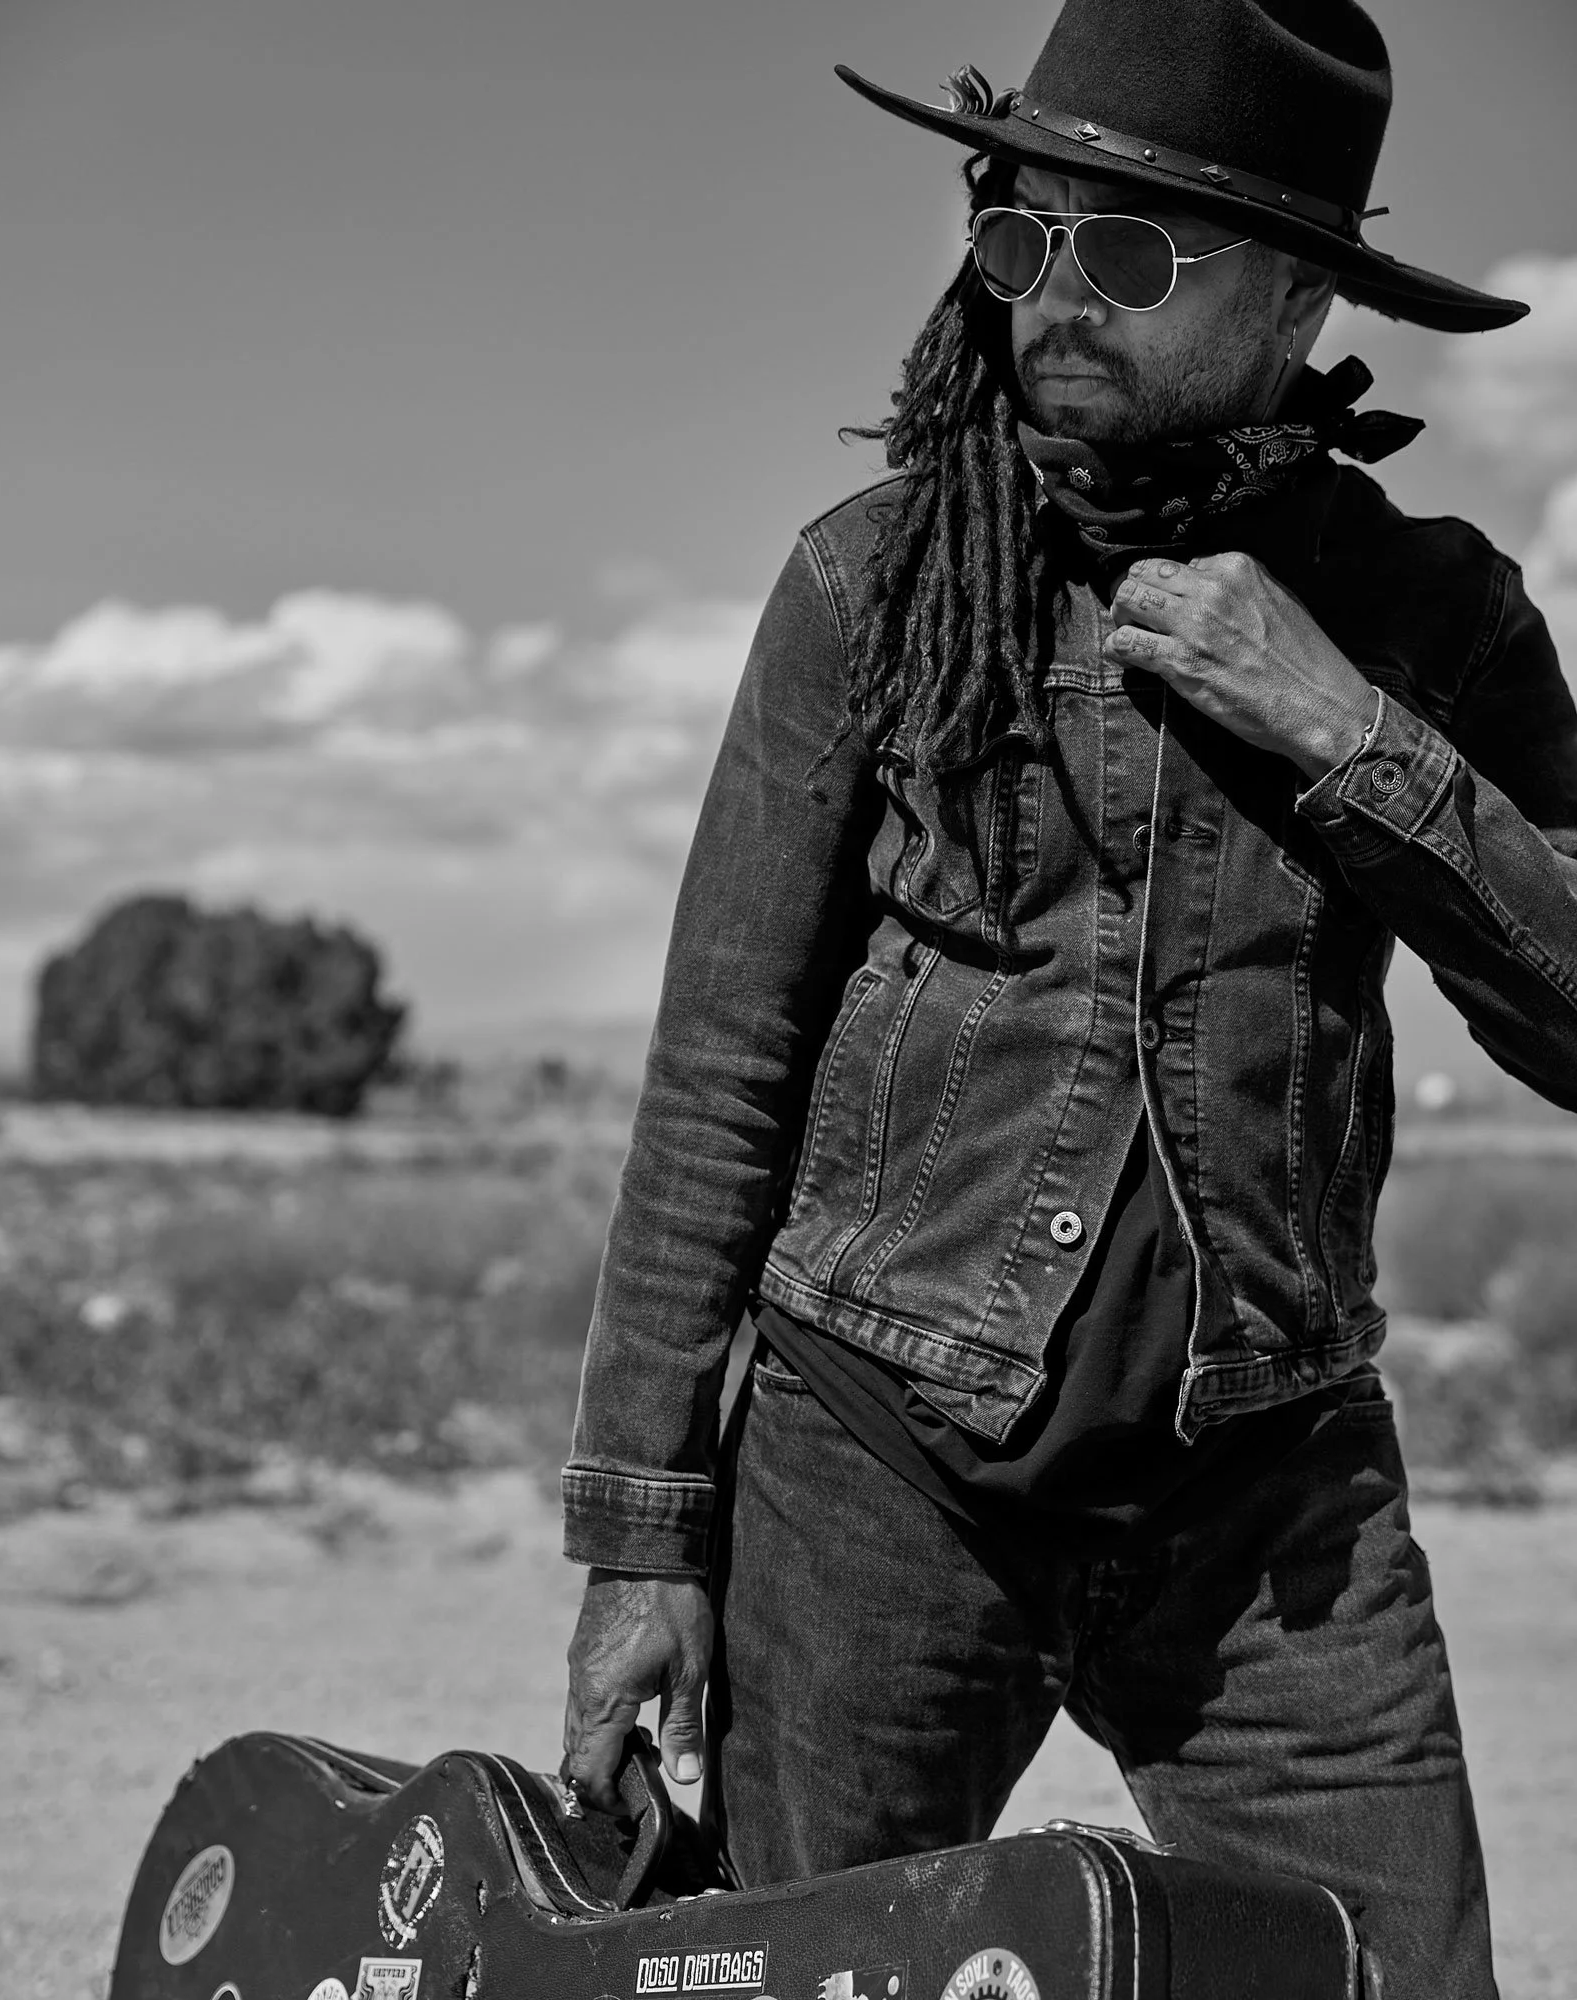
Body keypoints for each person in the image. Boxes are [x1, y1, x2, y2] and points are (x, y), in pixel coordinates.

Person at [558, 4, 1577, 1996]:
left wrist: (1345, 728)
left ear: (1293, 301)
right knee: (787, 1973)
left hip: (1263, 1493)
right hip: (877, 1464)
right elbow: (716, 1070)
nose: (1047, 291)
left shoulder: (1430, 615)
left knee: (1395, 1980)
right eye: (1014, 229)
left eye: (1124, 253)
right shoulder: (875, 580)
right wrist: (640, 1533)